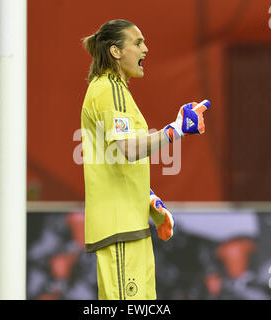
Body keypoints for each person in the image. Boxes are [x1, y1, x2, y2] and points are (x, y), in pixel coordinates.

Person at [81, 19, 210, 300]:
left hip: (130, 225)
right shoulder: (109, 89)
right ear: (115, 51)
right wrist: (175, 130)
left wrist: (146, 197)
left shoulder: (116, 90)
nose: (146, 49)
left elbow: (115, 159)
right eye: (137, 43)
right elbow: (128, 149)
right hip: (120, 228)